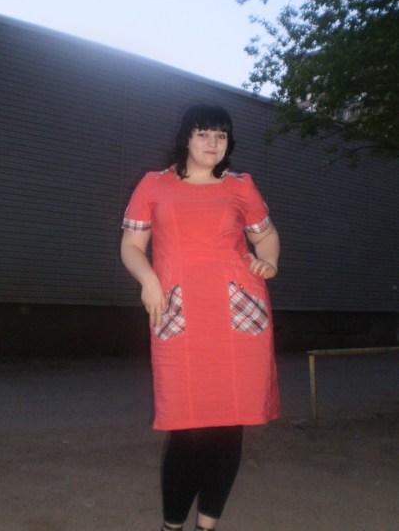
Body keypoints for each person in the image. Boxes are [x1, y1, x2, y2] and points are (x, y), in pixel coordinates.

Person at [121, 104, 280, 531]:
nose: (213, 143)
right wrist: (148, 280)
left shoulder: (240, 187)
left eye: (221, 136)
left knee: (228, 429)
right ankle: (171, 526)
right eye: (204, 134)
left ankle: (206, 527)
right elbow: (132, 246)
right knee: (187, 432)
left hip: (238, 315)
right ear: (186, 138)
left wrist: (268, 262)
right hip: (179, 312)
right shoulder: (154, 185)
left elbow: (266, 235)